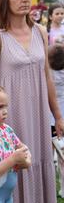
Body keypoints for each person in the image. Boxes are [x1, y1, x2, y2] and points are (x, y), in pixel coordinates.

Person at [0, 0, 64, 203]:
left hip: (38, 115)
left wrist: (57, 115)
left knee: (38, 160)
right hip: (8, 119)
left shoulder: (40, 32)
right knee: (15, 166)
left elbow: (46, 77)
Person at [48, 43, 64, 197]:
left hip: (49, 118)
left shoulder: (47, 74)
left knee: (48, 155)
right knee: (63, 157)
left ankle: (49, 185)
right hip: (62, 118)